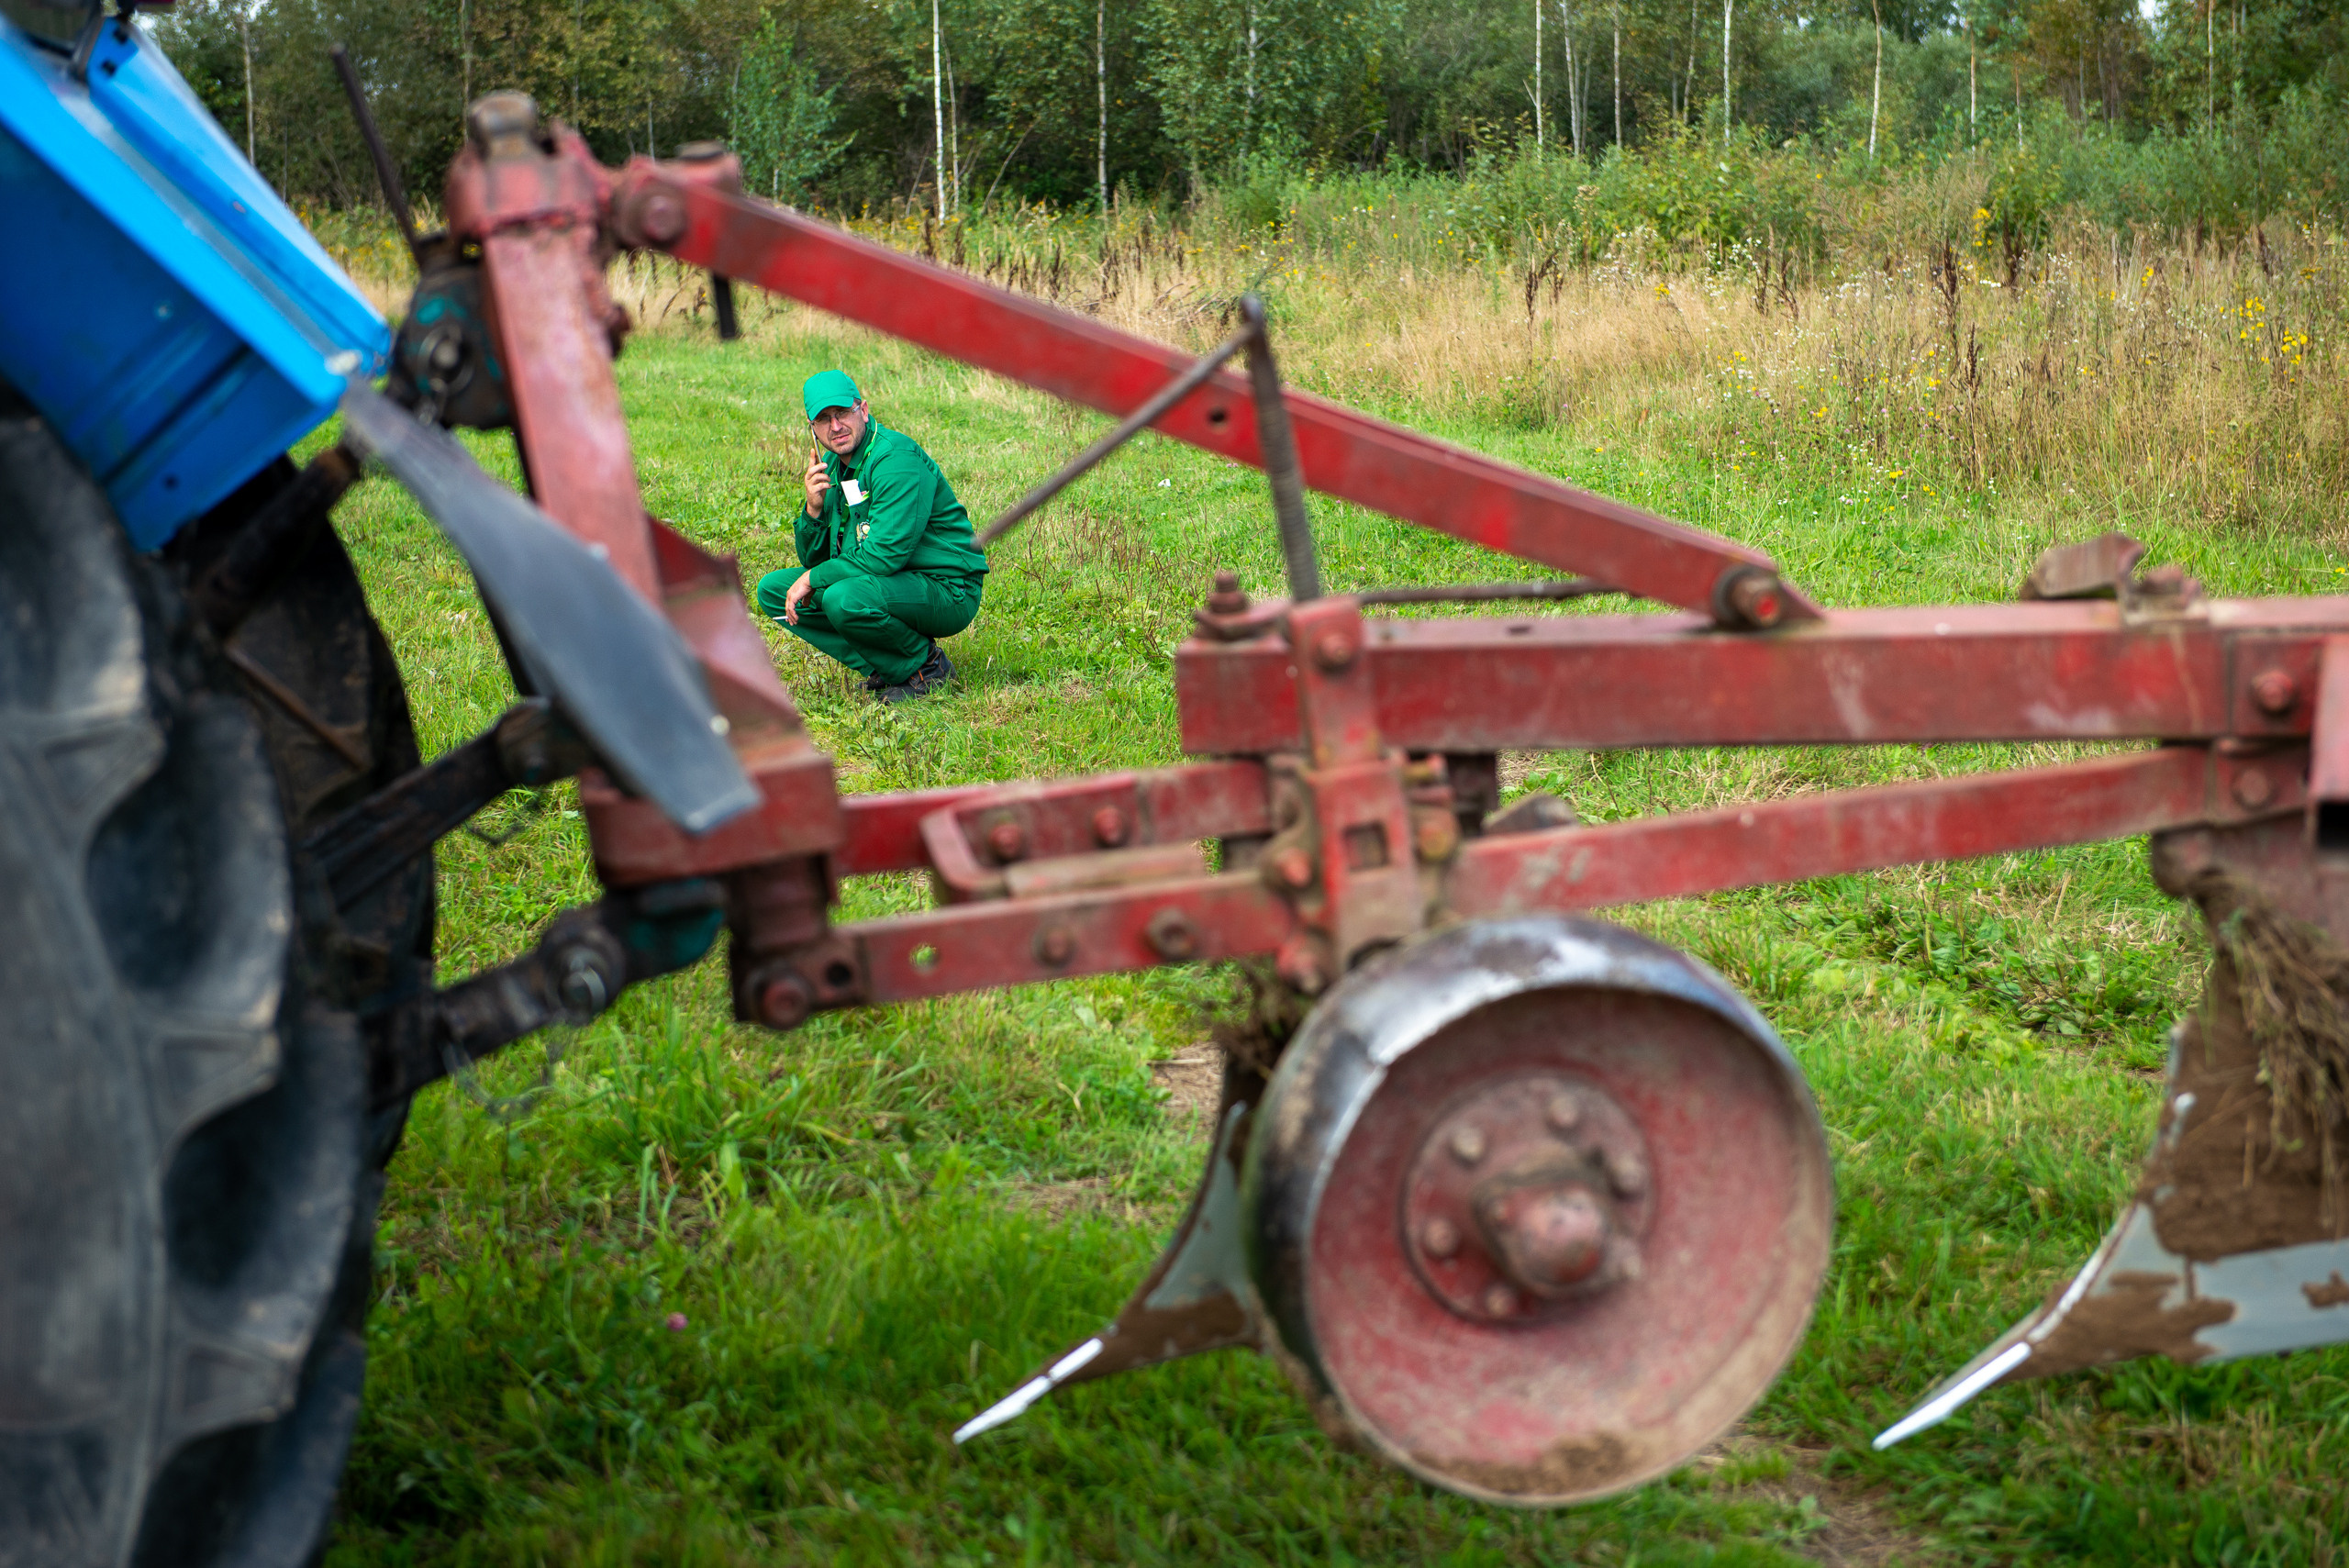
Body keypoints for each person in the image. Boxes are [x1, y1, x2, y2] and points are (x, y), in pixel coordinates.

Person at [755, 370, 987, 701]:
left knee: (843, 598)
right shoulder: (834, 466)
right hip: (891, 582)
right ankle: (886, 665)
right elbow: (817, 561)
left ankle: (926, 668)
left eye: (843, 414)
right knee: (774, 591)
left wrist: (813, 577)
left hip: (947, 588)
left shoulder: (896, 459)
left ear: (863, 410)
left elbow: (884, 555)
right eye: (823, 419)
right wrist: (814, 511)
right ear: (812, 429)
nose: (835, 427)